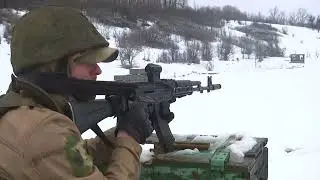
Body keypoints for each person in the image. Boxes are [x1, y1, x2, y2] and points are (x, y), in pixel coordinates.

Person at [0, 5, 153, 179]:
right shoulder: (44, 129)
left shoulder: (19, 111)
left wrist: (121, 132)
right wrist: (129, 138)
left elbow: (67, 158)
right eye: (88, 61)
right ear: (54, 67)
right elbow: (54, 146)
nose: (97, 70)